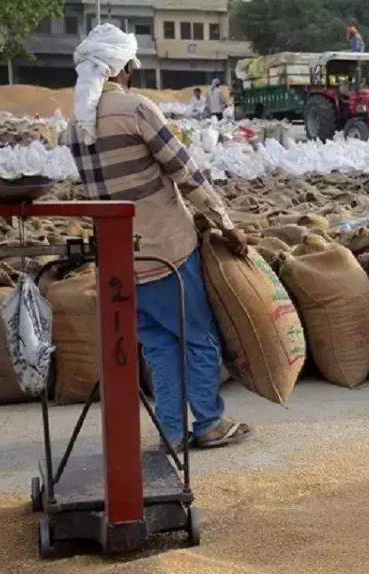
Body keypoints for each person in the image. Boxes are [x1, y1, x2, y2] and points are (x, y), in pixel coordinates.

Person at [69, 23, 253, 451]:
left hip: (120, 264)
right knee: (199, 338)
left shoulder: (75, 128)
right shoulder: (135, 110)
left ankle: (171, 433)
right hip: (167, 254)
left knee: (159, 347)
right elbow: (187, 172)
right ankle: (208, 422)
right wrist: (226, 222)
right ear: (125, 67)